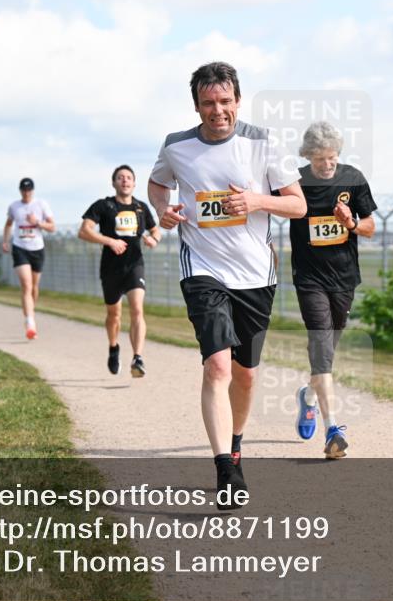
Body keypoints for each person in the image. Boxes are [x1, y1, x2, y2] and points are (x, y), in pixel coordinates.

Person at [148, 61, 306, 509]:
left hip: (256, 272)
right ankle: (225, 468)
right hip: (202, 268)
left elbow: (298, 206)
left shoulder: (262, 142)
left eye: (225, 101)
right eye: (208, 103)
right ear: (196, 105)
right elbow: (158, 184)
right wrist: (164, 209)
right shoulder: (177, 146)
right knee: (217, 366)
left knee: (245, 375)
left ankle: (235, 443)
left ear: (237, 100)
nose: (217, 111)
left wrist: (255, 200)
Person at [287, 122, 377, 459]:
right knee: (321, 347)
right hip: (309, 278)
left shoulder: (352, 178)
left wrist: (350, 222)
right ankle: (332, 428)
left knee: (330, 349)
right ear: (308, 156)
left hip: (343, 278)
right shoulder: (294, 182)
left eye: (333, 157)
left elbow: (370, 228)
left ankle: (309, 398)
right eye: (321, 158)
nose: (328, 164)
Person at [79, 165, 160, 375]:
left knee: (137, 310)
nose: (125, 181)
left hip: (135, 265)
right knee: (114, 315)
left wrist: (154, 239)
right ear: (114, 182)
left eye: (129, 178)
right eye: (120, 178)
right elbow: (84, 231)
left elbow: (155, 229)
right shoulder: (103, 206)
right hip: (110, 269)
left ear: (134, 183)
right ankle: (114, 347)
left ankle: (138, 358)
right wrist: (110, 241)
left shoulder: (141, 207)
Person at [3, 177, 56, 340]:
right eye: (24, 190)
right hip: (20, 248)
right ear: (20, 191)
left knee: (33, 287)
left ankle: (30, 312)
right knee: (26, 285)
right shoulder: (14, 206)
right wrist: (5, 241)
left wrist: (37, 222)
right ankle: (30, 323)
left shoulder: (41, 205)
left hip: (37, 249)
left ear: (33, 190)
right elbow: (8, 224)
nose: (26, 193)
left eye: (29, 190)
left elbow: (52, 227)